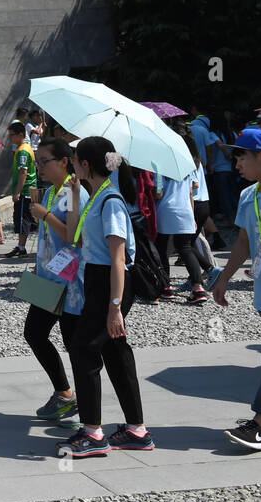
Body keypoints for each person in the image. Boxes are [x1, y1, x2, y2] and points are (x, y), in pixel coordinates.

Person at [58, 137, 153, 458]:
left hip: (111, 283)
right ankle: (137, 430)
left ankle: (93, 433)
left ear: (86, 164)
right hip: (99, 280)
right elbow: (73, 237)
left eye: (74, 159)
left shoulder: (110, 200)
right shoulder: (94, 196)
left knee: (84, 349)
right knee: (113, 350)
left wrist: (115, 308)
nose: (71, 163)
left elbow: (118, 258)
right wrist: (73, 194)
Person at [211, 129, 261, 449]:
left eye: (242, 156)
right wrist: (224, 278)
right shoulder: (248, 196)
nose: (236, 165)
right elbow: (243, 242)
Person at [25, 137, 87, 424]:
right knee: (34, 333)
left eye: (44, 161)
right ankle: (64, 393)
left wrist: (46, 215)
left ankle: (83, 406)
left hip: (70, 282)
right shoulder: (50, 191)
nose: (39, 167)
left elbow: (74, 237)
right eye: (37, 162)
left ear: (64, 162)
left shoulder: (76, 193)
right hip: (50, 278)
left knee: (73, 343)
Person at [154, 149, 207, 305]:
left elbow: (159, 194)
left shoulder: (160, 168)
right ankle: (198, 288)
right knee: (185, 248)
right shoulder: (186, 167)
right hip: (185, 210)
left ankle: (166, 287)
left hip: (166, 211)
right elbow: (191, 192)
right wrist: (191, 215)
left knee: (162, 250)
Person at [6, 121, 38, 259]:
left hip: (25, 191)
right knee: (24, 218)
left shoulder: (23, 150)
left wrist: (18, 192)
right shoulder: (25, 147)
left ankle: (21, 247)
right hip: (28, 189)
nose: (10, 138)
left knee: (22, 219)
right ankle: (21, 246)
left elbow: (23, 172)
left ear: (20, 134)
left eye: (12, 135)